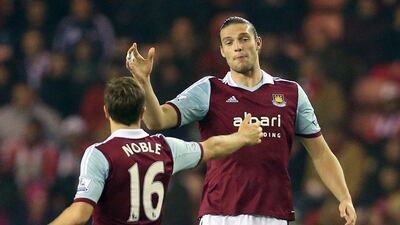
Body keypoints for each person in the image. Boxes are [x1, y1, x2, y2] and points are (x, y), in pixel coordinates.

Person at [125, 16, 357, 225]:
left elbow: (321, 153)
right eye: (229, 42)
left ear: (258, 43)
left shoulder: (291, 93)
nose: (237, 46)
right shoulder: (210, 90)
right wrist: (143, 81)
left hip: (273, 215)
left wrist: (344, 197)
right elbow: (157, 121)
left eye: (243, 39)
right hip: (220, 214)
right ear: (222, 51)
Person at [48, 76, 263, 225]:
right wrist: (241, 137)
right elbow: (211, 148)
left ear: (106, 112)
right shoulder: (165, 147)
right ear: (142, 112)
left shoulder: (100, 154)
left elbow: (79, 214)